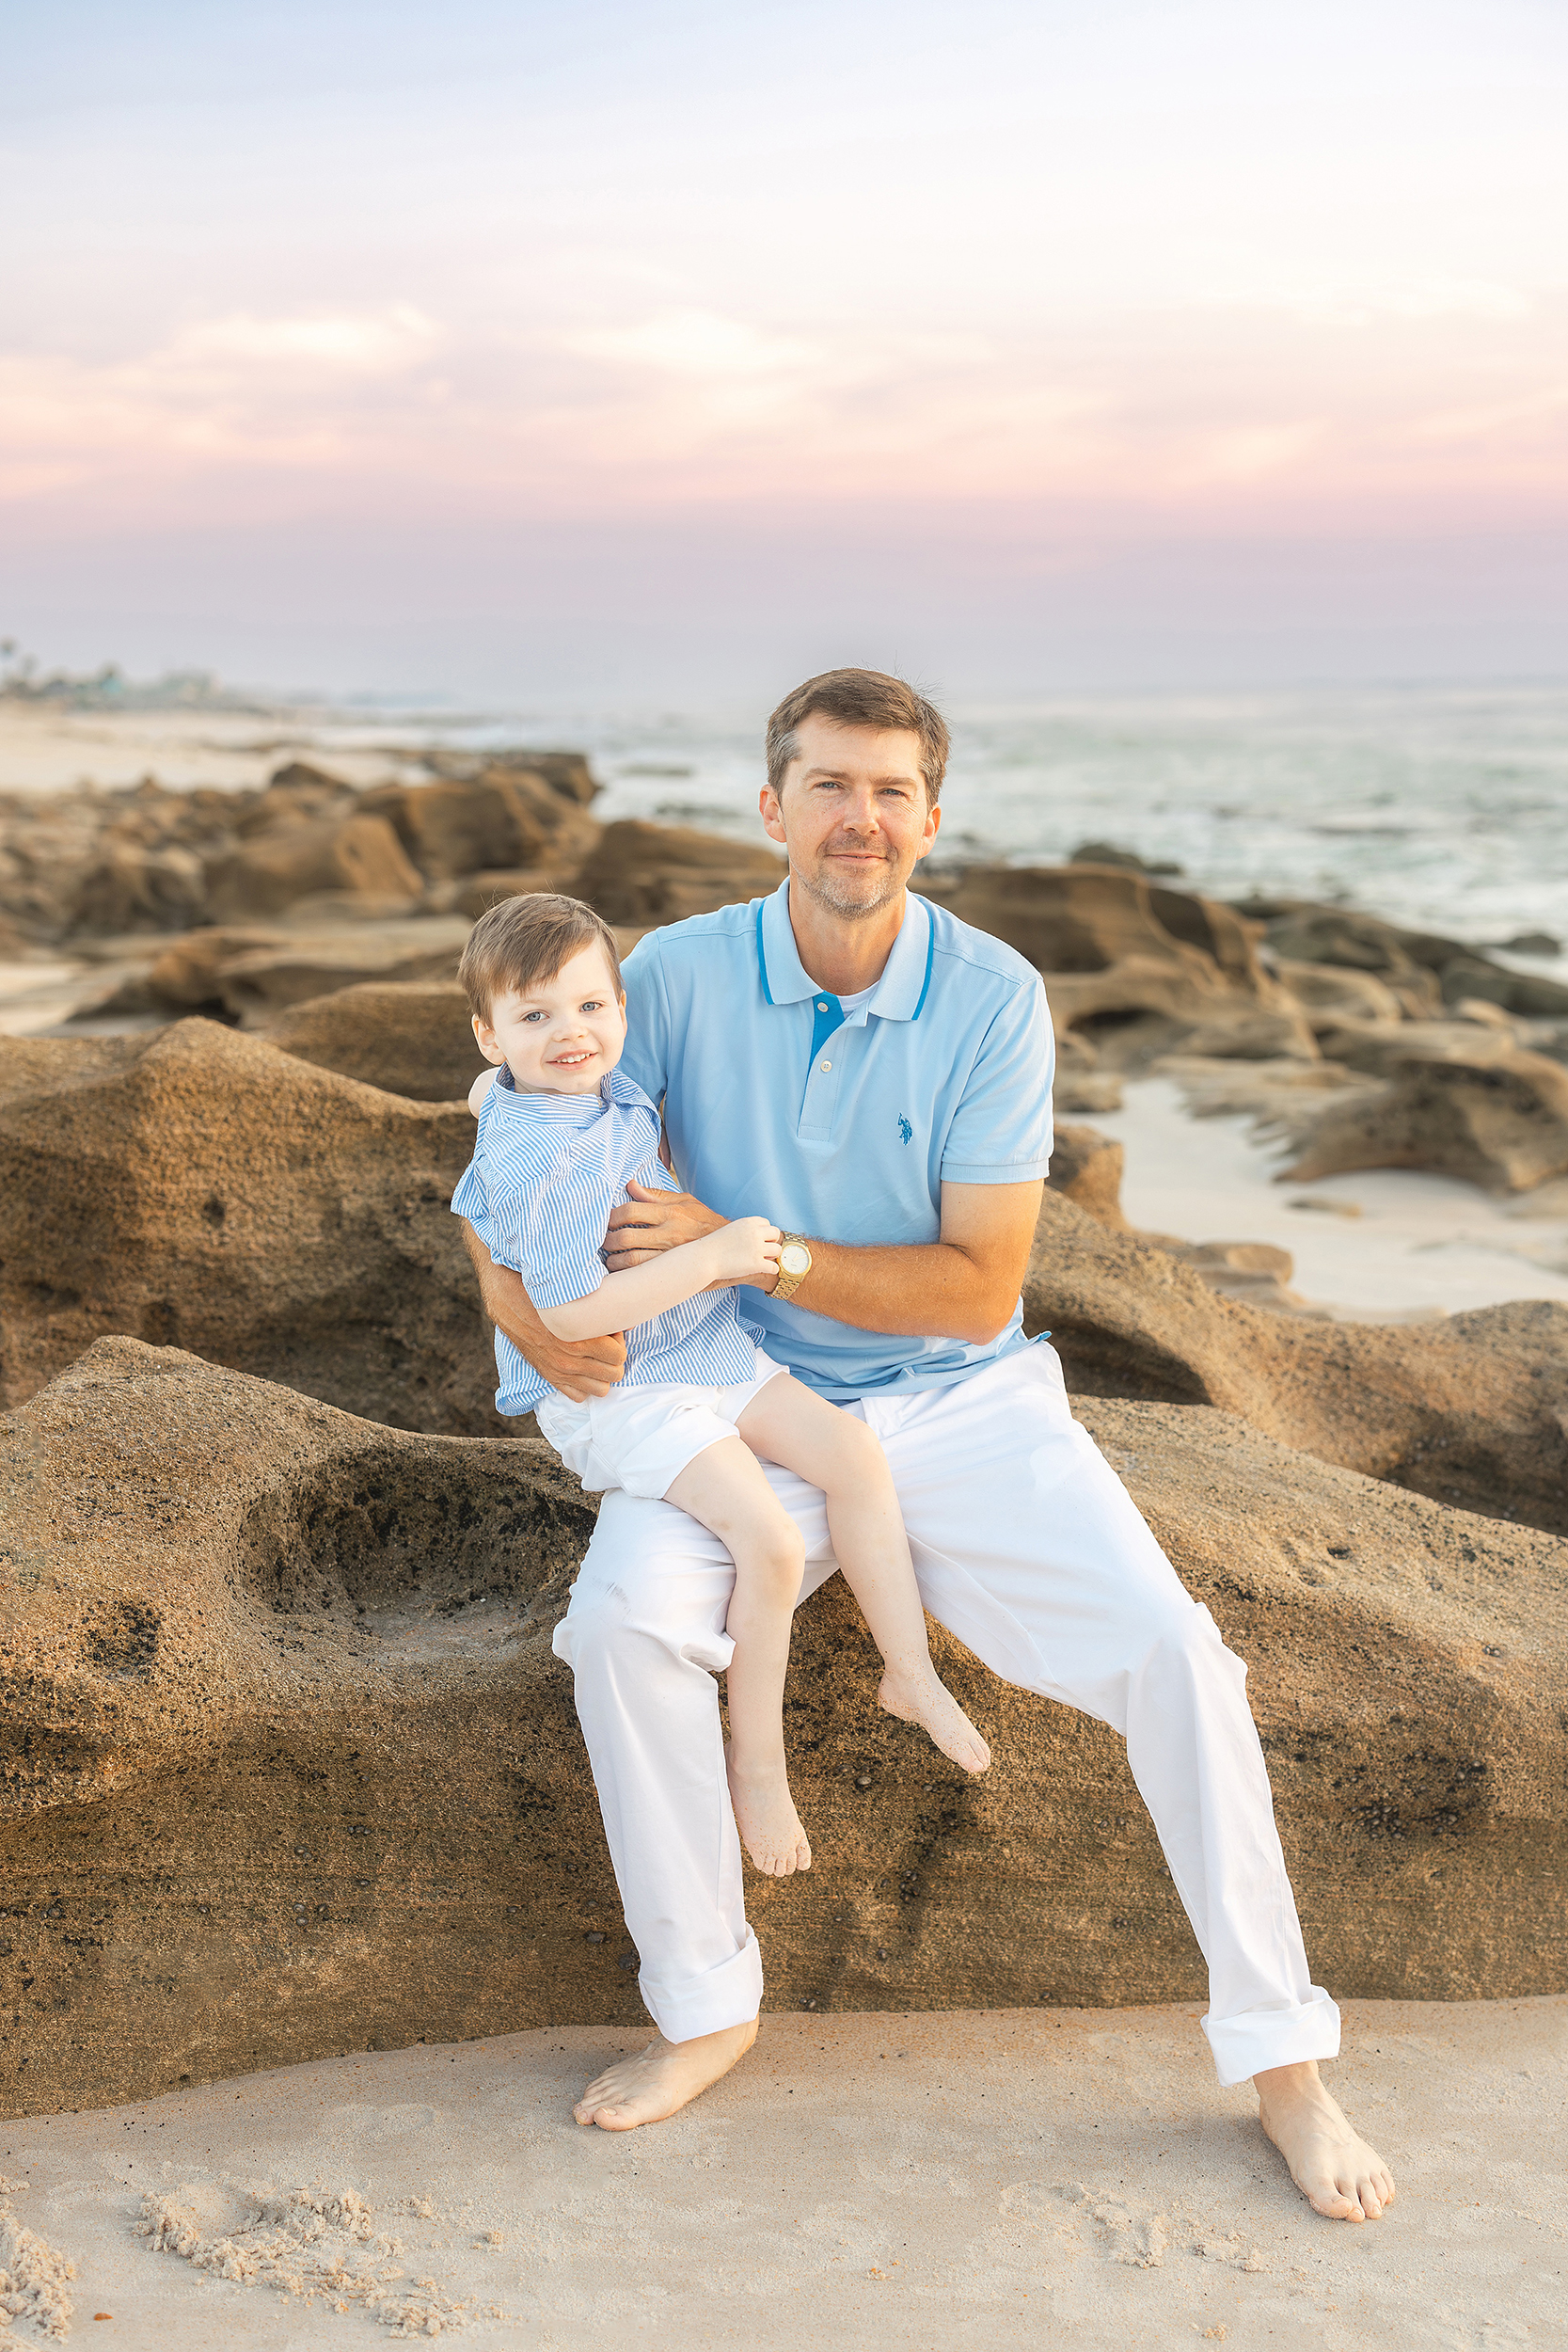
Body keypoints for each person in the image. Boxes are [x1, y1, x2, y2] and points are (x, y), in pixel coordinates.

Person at [458, 668, 1396, 2225]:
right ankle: (708, 2006)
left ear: (931, 820)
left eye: (891, 792)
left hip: (959, 1401)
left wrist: (758, 1250)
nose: (860, 817)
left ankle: (1283, 2068)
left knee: (1176, 1652)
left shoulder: (989, 997)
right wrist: (520, 1308)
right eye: (829, 785)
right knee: (619, 1627)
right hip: (726, 1394)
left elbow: (973, 1290)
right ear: (771, 809)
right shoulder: (671, 977)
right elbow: (517, 1132)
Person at [451, 892, 990, 1879]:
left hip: (702, 1349)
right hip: (625, 1392)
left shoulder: (572, 1091)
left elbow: (492, 1102)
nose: (570, 1033)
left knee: (853, 1458)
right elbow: (570, 1318)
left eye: (589, 1007)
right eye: (535, 1017)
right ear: (488, 1032)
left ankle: (906, 1670)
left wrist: (493, 1089)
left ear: (620, 1007)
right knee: (771, 1541)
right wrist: (719, 1254)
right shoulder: (546, 1155)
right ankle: (757, 1761)